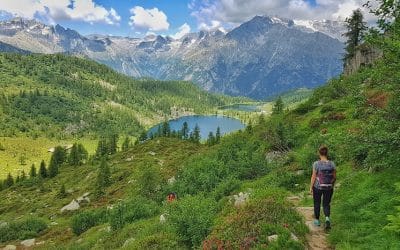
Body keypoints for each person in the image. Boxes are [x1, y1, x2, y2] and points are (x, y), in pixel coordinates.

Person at [309, 145, 336, 230]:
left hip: (318, 187)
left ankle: (317, 220)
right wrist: (332, 184)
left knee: (317, 203)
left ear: (319, 153)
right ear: (327, 153)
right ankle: (327, 219)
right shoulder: (332, 164)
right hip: (329, 187)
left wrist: (311, 187)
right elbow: (334, 177)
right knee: (326, 204)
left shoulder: (316, 164)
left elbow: (313, 177)